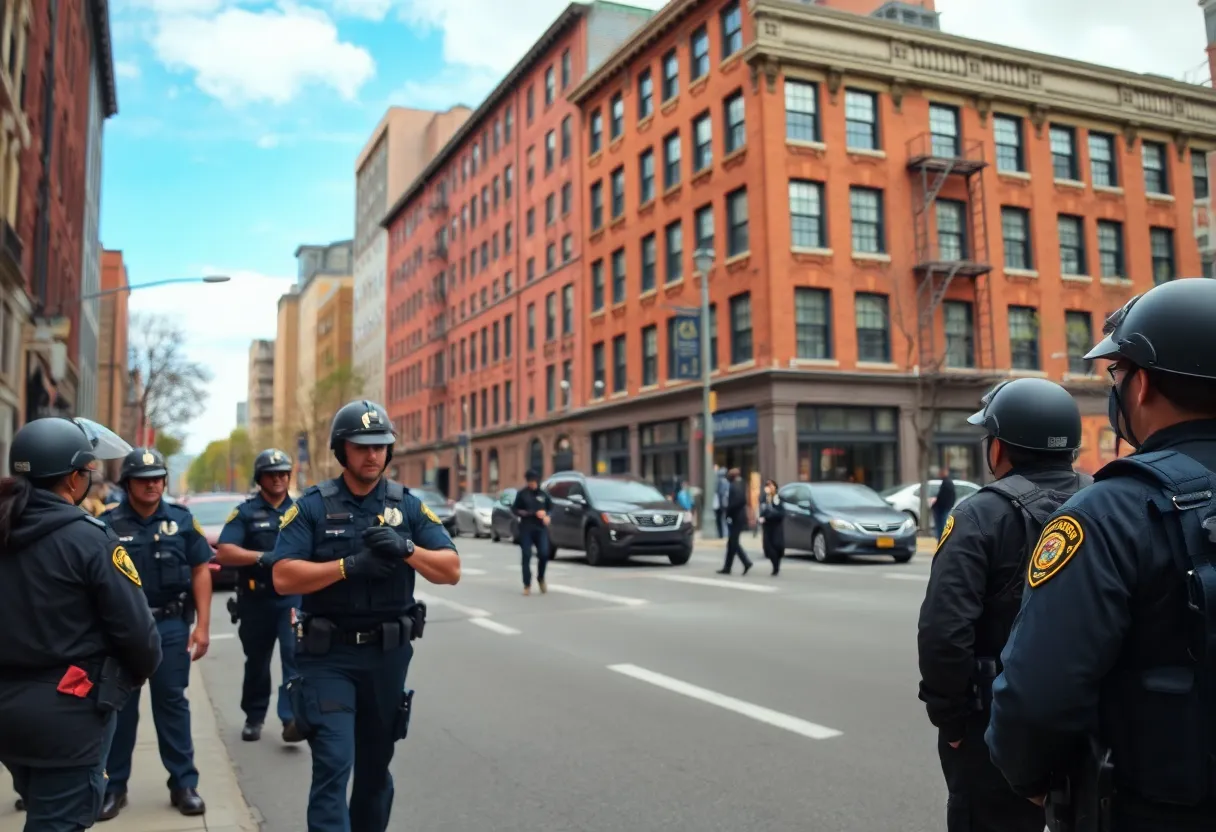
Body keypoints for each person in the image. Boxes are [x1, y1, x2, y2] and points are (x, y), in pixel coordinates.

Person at [986, 278, 1216, 831]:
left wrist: (1033, 780)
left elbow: (1036, 699)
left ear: (1140, 386)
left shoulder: (1109, 513)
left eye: (1117, 372)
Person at [268, 399, 461, 832]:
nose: (373, 454)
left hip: (387, 657)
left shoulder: (406, 506)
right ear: (342, 450)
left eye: (381, 446)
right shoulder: (314, 506)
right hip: (328, 656)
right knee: (334, 763)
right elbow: (283, 576)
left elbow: (450, 569)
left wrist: (407, 548)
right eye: (362, 446)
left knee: (375, 773)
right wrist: (348, 566)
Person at [917, 377, 1091, 832]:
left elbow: (944, 629)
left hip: (997, 720)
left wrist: (950, 720)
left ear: (999, 449)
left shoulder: (979, 515)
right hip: (1097, 715)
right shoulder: (1110, 499)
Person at [0, 418, 160, 831]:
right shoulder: (90, 540)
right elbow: (140, 637)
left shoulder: (7, 527)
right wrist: (134, 675)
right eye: (87, 472)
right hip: (69, 713)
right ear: (73, 480)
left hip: (9, 713)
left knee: (41, 806)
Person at [98, 447, 213, 821]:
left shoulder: (181, 520)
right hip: (122, 632)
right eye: (143, 480)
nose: (151, 485)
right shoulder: (108, 525)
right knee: (120, 709)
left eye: (157, 479)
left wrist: (203, 627)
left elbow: (201, 569)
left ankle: (183, 784)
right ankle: (113, 787)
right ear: (127, 483)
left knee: (172, 704)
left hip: (169, 625)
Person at [215, 448, 302, 744]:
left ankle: (291, 718)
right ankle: (254, 716)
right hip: (256, 600)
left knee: (294, 656)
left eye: (282, 473)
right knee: (257, 662)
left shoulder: (302, 510)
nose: (278, 479)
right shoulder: (246, 513)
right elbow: (225, 551)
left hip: (292, 598)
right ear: (260, 478)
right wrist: (261, 557)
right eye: (271, 474)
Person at [512, 469, 552, 596]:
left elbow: (551, 508)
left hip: (540, 529)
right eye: (530, 481)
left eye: (534, 481)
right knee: (526, 555)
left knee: (544, 554)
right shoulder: (522, 494)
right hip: (526, 528)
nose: (532, 484)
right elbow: (515, 510)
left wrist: (548, 515)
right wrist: (533, 513)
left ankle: (541, 577)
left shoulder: (543, 494)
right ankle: (527, 584)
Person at [717, 468, 753, 575]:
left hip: (736, 517)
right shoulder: (741, 484)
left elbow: (736, 502)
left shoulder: (735, 486)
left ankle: (746, 562)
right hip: (739, 516)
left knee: (733, 542)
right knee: (731, 543)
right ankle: (727, 568)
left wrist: (728, 512)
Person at [758, 478, 785, 576]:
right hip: (767, 526)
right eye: (767, 486)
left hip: (776, 525)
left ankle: (776, 567)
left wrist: (769, 516)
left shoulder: (777, 498)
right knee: (768, 548)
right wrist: (761, 517)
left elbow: (780, 512)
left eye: (771, 486)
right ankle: (775, 565)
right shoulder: (764, 498)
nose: (769, 488)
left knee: (776, 546)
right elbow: (761, 509)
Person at [932, 467, 956, 538]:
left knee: (941, 526)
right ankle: (941, 539)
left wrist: (935, 505)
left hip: (942, 508)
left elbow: (942, 496)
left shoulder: (946, 483)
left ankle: (941, 539)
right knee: (942, 525)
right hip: (945, 507)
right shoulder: (948, 482)